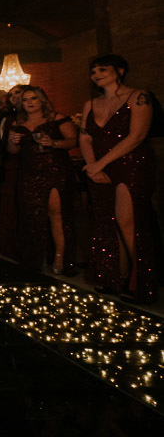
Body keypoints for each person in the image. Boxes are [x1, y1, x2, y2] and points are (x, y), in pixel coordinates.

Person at [79, 54, 157, 303]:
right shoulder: (91, 103)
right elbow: (85, 137)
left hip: (130, 164)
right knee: (107, 222)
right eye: (93, 72)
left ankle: (141, 283)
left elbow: (137, 136)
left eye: (103, 69)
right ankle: (116, 278)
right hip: (99, 168)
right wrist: (92, 166)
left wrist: (100, 163)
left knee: (127, 221)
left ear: (120, 70)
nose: (97, 74)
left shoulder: (139, 96)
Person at [7, 87, 77, 274]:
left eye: (34, 99)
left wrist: (53, 143)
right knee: (31, 215)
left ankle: (60, 258)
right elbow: (12, 152)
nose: (29, 102)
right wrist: (13, 142)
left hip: (56, 171)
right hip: (29, 173)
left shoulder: (56, 117)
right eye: (25, 100)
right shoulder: (18, 122)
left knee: (56, 214)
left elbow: (73, 140)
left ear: (42, 101)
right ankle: (35, 256)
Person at [0, 85, 28, 258]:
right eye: (11, 94)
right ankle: (14, 245)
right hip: (13, 164)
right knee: (12, 205)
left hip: (33, 163)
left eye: (17, 93)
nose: (13, 96)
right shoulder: (11, 119)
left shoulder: (34, 116)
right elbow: (8, 146)